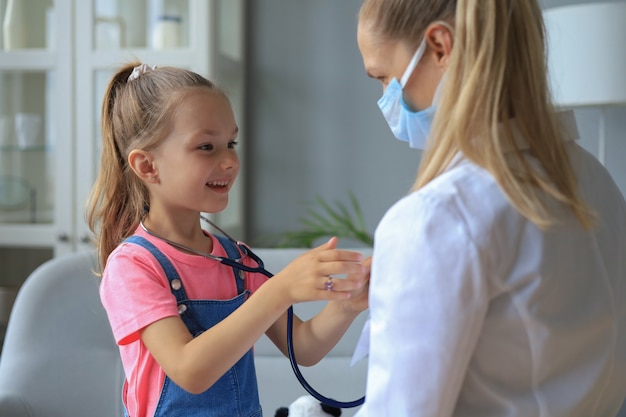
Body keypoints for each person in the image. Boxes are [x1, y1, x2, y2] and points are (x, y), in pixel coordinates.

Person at [353, 0, 626, 416]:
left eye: (384, 77)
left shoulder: (436, 219)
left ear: (441, 46)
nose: (385, 98)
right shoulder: (594, 181)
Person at [86, 62, 369, 417]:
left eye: (230, 143)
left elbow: (306, 347)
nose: (230, 161)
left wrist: (349, 304)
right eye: (206, 146)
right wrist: (279, 290)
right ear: (147, 167)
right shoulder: (132, 267)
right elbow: (190, 370)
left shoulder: (237, 260)